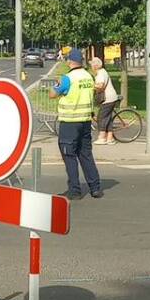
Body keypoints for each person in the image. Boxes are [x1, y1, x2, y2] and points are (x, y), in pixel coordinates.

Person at [48, 48, 102, 200]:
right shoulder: (89, 76)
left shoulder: (67, 78)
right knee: (86, 154)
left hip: (69, 123)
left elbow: (52, 94)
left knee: (69, 155)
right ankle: (95, 188)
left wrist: (57, 83)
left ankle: (75, 190)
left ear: (69, 61)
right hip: (85, 121)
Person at [90, 56, 119, 145]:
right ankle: (110, 138)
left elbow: (100, 85)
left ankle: (102, 137)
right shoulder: (103, 72)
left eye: (92, 65)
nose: (91, 66)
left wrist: (92, 86)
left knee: (101, 118)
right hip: (112, 98)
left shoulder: (101, 74)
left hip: (107, 99)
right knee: (108, 118)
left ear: (95, 66)